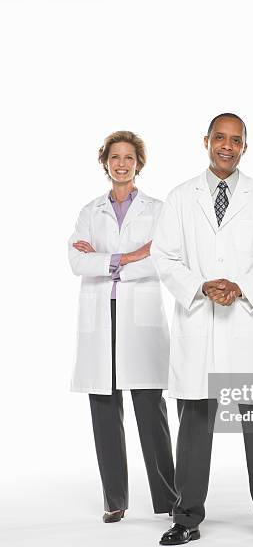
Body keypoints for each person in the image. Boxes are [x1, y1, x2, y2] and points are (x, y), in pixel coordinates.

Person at [152, 113, 253, 545]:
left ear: (244, 148)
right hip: (199, 321)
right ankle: (186, 517)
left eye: (235, 140)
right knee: (195, 424)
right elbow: (166, 256)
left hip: (245, 326)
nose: (227, 146)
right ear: (206, 141)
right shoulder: (182, 197)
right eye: (220, 137)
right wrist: (200, 286)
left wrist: (241, 287)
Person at [68, 130, 176, 522]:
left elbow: (163, 260)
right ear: (105, 162)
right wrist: (129, 257)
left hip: (140, 317)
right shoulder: (89, 211)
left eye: (129, 157)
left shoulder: (158, 209)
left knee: (150, 409)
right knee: (104, 406)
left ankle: (167, 498)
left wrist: (106, 263)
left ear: (138, 163)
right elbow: (77, 261)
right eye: (115, 156)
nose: (122, 163)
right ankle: (115, 500)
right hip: (100, 317)